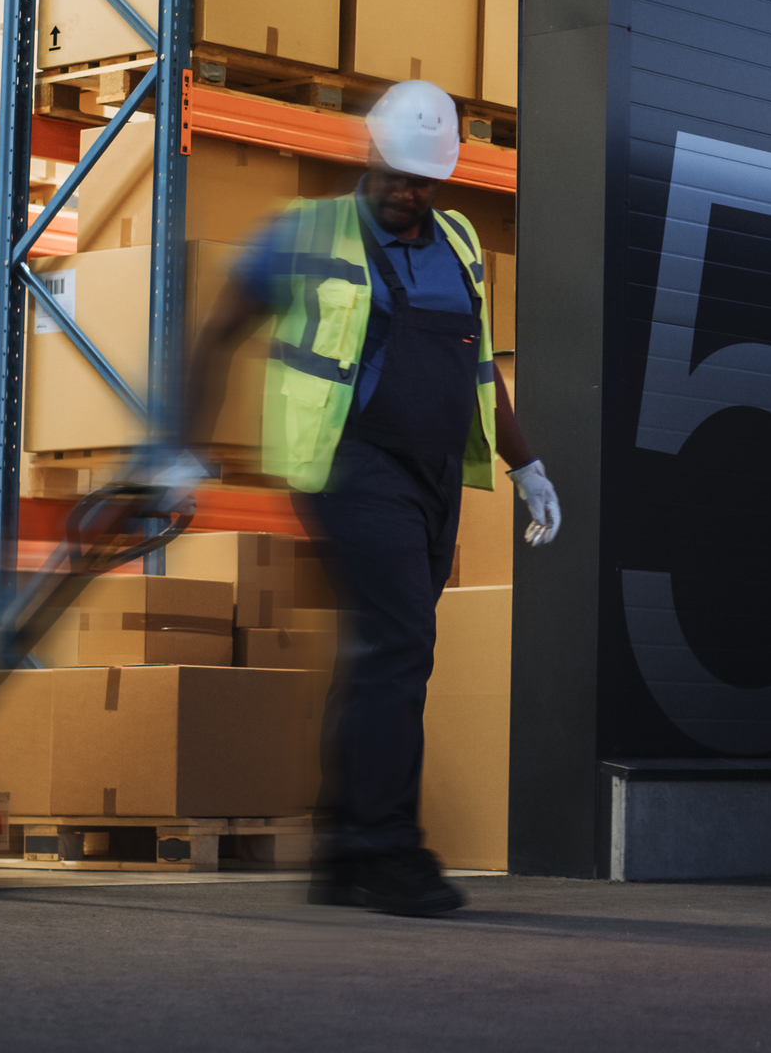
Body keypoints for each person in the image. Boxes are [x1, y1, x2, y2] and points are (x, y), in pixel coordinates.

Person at [183, 80, 560, 917]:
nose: (407, 190)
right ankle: (389, 851)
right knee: (398, 646)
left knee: (380, 662)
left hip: (431, 480)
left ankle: (345, 852)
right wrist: (183, 452)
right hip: (350, 469)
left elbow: (478, 365)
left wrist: (526, 464)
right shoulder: (306, 232)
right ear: (370, 153)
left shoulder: (460, 241)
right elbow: (218, 331)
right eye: (396, 171)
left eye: (423, 179)